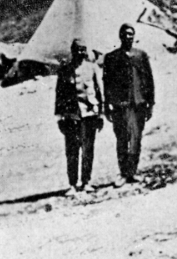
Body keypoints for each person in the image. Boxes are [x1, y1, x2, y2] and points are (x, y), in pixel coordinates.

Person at [103, 24, 155, 185]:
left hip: (139, 104)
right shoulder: (111, 57)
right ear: (120, 36)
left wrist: (150, 104)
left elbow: (149, 80)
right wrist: (107, 106)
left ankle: (132, 172)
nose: (128, 37)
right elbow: (107, 83)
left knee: (136, 139)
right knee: (122, 139)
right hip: (121, 105)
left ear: (134, 36)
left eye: (131, 34)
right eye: (125, 34)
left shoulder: (141, 55)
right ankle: (123, 173)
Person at [54, 39, 105, 196]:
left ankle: (86, 182)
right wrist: (59, 117)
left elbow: (98, 91)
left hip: (89, 115)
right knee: (72, 151)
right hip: (71, 117)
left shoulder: (91, 68)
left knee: (88, 150)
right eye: (77, 50)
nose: (80, 53)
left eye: (83, 50)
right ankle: (72, 184)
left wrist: (101, 114)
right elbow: (59, 95)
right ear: (72, 51)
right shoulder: (65, 70)